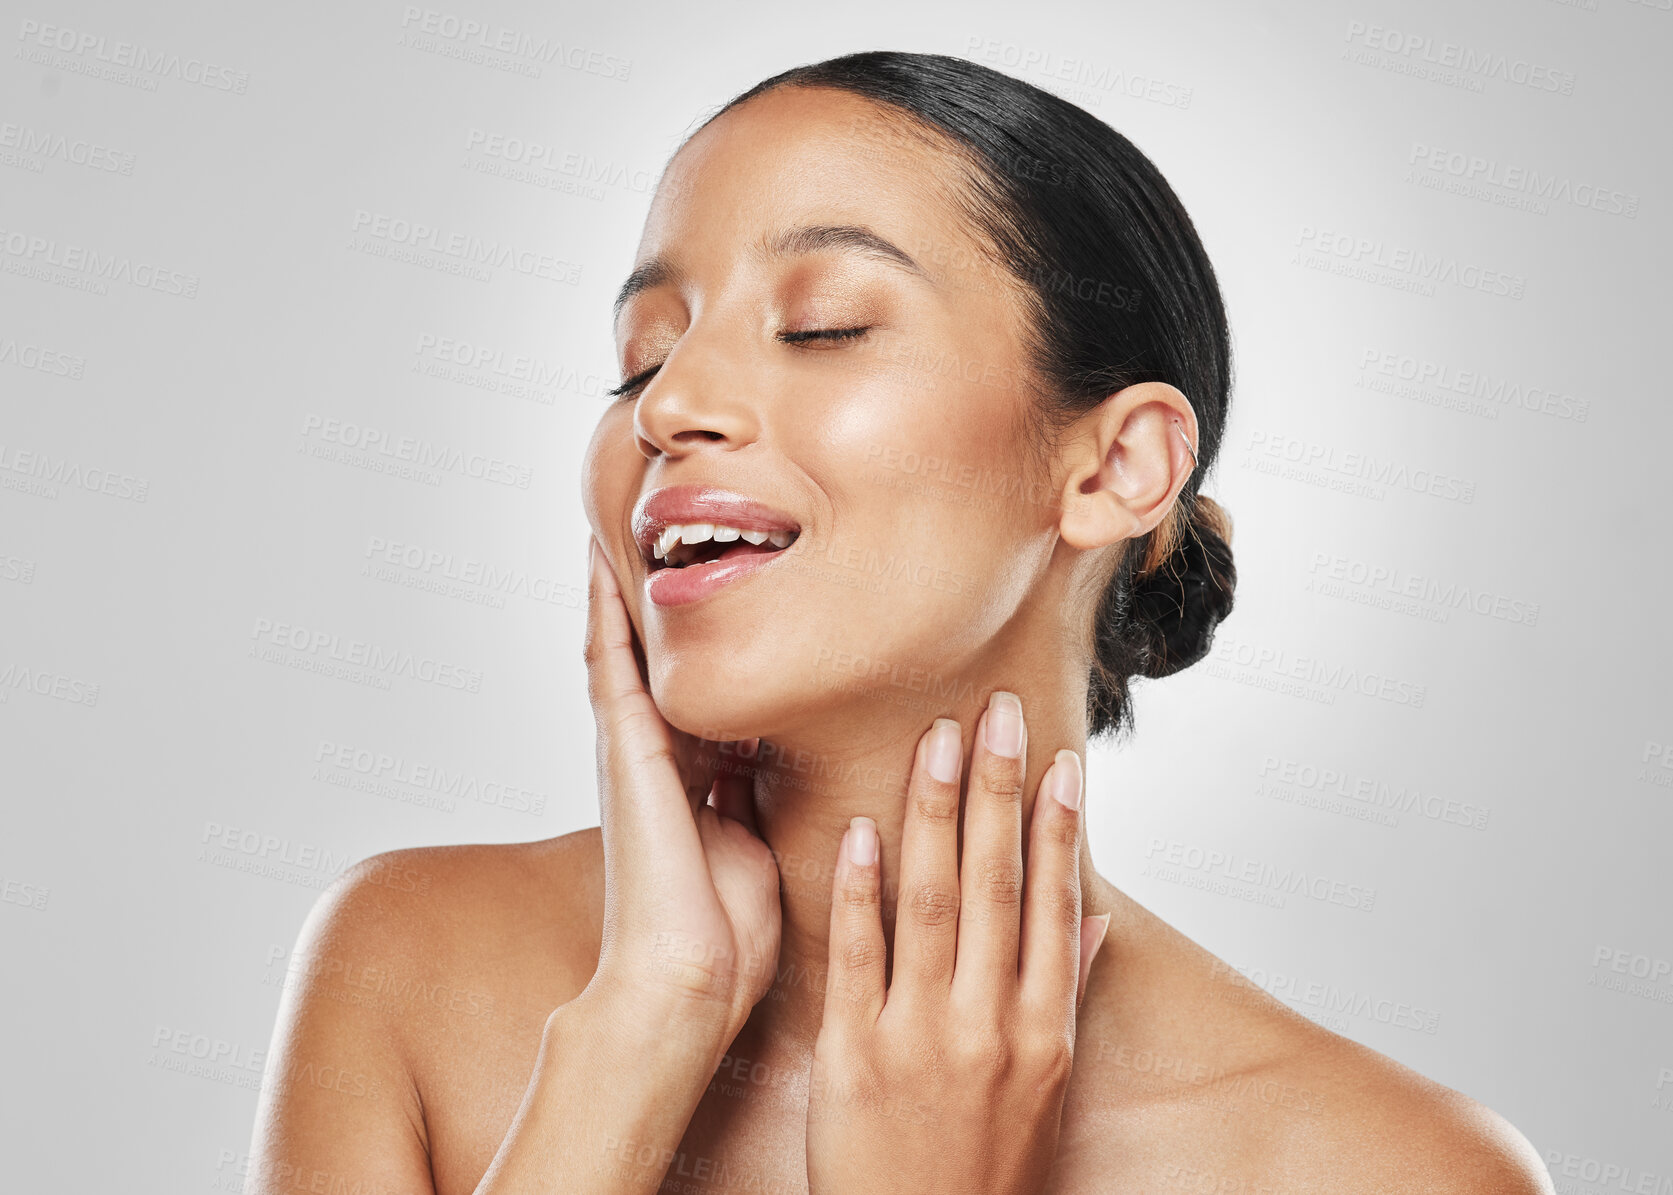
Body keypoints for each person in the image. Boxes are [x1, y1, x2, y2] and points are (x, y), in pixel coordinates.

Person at [248, 51, 1553, 1194]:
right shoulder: (411, 964)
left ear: (1111, 471)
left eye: (820, 327)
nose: (667, 405)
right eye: (643, 355)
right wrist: (632, 1045)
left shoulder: (1380, 1171)